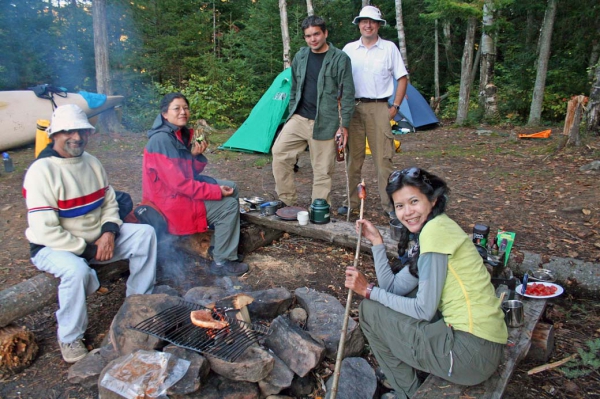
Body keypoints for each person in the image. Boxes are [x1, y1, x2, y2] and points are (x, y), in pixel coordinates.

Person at [344, 167, 507, 398]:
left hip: (469, 355)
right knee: (396, 299)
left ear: (433, 200)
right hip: (481, 347)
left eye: (414, 201)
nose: (407, 212)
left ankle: (408, 392)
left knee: (369, 309)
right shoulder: (436, 228)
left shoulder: (434, 233)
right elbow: (393, 288)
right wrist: (377, 243)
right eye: (400, 206)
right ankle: (410, 377)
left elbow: (423, 309)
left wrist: (368, 290)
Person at [23, 104, 157, 363]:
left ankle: (137, 303)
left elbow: (109, 203)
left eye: (82, 131)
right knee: (76, 271)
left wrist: (108, 233)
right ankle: (70, 337)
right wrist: (89, 250)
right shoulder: (42, 171)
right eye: (68, 132)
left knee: (145, 234)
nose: (77, 137)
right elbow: (45, 230)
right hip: (52, 247)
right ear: (54, 135)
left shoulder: (92, 163)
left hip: (96, 239)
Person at [142, 92, 248, 277]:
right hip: (169, 204)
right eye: (177, 108)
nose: (183, 112)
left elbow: (186, 172)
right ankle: (222, 261)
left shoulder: (177, 134)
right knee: (228, 205)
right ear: (164, 114)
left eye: (185, 108)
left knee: (232, 186)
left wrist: (195, 155)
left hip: (176, 194)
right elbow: (179, 184)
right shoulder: (161, 140)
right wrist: (215, 192)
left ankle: (219, 242)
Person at [272, 15, 355, 207]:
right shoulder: (300, 56)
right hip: (299, 118)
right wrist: (293, 111)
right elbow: (294, 88)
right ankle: (286, 202)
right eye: (308, 36)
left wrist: (344, 126)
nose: (313, 39)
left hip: (326, 122)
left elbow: (348, 94)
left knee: (323, 170)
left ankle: (319, 209)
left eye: (316, 34)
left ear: (325, 33)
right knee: (279, 153)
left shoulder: (340, 59)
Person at [340, 6, 409, 219]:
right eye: (363, 21)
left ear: (378, 25)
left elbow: (402, 78)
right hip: (353, 108)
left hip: (380, 106)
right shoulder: (349, 49)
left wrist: (395, 107)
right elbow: (340, 80)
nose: (367, 25)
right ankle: (351, 203)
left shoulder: (389, 48)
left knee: (384, 160)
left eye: (372, 21)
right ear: (358, 24)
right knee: (353, 159)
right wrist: (341, 107)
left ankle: (389, 207)